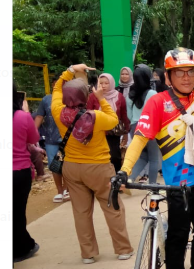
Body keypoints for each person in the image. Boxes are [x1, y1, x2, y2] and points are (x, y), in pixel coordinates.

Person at [114, 0, 194, 269]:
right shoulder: (157, 102)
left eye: (191, 71)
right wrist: (124, 170)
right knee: (177, 238)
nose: (186, 77)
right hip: (177, 183)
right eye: (179, 72)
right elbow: (140, 138)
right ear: (168, 77)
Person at [52, 65, 134, 264]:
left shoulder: (57, 112)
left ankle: (87, 254)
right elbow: (114, 120)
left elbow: (55, 90)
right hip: (98, 168)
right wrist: (101, 99)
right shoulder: (95, 117)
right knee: (113, 208)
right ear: (84, 96)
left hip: (71, 168)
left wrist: (70, 70)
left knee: (81, 213)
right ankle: (123, 249)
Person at [13, 83, 41, 263]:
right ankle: (21, 247)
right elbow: (34, 139)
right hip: (19, 172)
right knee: (17, 211)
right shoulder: (22, 117)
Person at [86, 73, 130, 172]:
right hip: (97, 132)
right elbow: (88, 114)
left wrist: (126, 133)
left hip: (113, 132)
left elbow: (123, 115)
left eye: (106, 83)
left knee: (114, 156)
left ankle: (116, 179)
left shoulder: (119, 96)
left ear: (111, 83)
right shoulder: (93, 96)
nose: (103, 86)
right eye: (101, 83)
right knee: (98, 157)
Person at [126, 65, 161, 184]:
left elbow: (129, 116)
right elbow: (158, 113)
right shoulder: (152, 93)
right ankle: (152, 186)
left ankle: (129, 179)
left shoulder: (130, 94)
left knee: (143, 157)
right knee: (153, 158)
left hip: (134, 127)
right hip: (149, 127)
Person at [34, 92, 69, 202]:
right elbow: (39, 115)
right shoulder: (46, 99)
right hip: (51, 138)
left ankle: (66, 189)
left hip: (69, 138)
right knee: (54, 165)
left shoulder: (71, 96)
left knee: (69, 164)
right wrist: (34, 133)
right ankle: (59, 191)